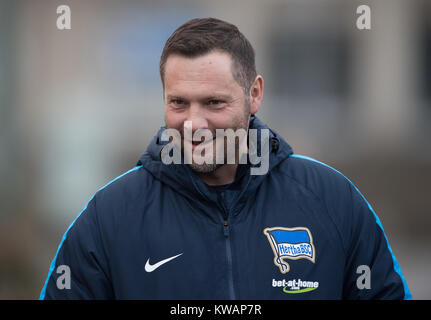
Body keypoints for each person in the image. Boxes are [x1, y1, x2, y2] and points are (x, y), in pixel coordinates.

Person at [40, 17, 411, 300]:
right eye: (178, 103)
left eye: (214, 103)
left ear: (255, 94)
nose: (194, 123)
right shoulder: (108, 218)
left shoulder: (334, 201)